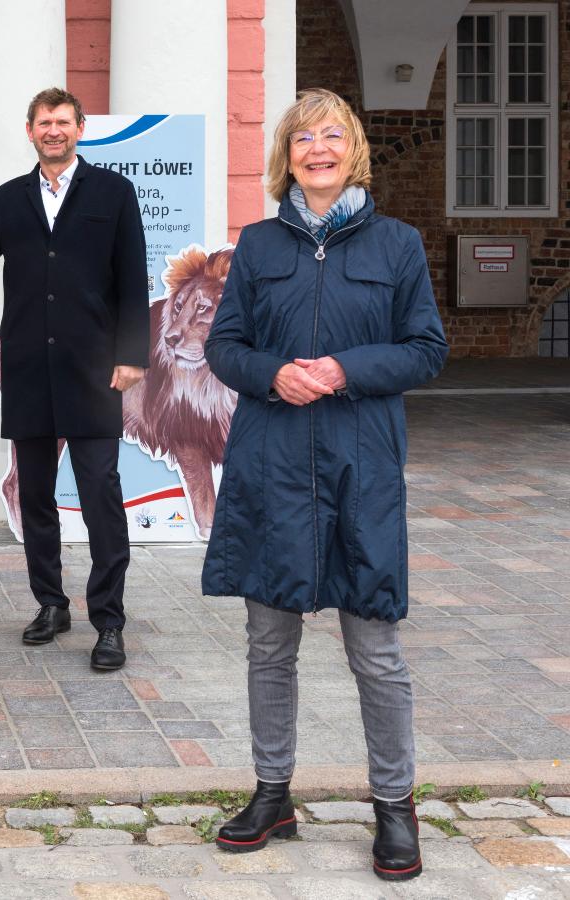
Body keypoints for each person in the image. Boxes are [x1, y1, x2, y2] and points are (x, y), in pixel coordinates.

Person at [201, 89, 447, 882]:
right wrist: (273, 373)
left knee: (374, 647)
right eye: (303, 138)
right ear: (287, 154)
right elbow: (224, 347)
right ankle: (273, 794)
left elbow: (425, 350)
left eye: (332, 135)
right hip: (271, 467)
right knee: (269, 646)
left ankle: (394, 806)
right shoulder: (259, 244)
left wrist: (345, 370)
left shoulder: (398, 245)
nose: (318, 149)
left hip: (360, 466)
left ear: (354, 149)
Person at [0, 86, 148, 671]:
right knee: (35, 497)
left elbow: (133, 279)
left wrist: (132, 356)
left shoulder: (114, 192)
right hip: (29, 370)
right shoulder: (9, 199)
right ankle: (51, 604)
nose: (53, 131)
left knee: (101, 495)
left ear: (80, 127)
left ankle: (109, 622)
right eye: (43, 123)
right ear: (29, 131)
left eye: (63, 121)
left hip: (93, 372)